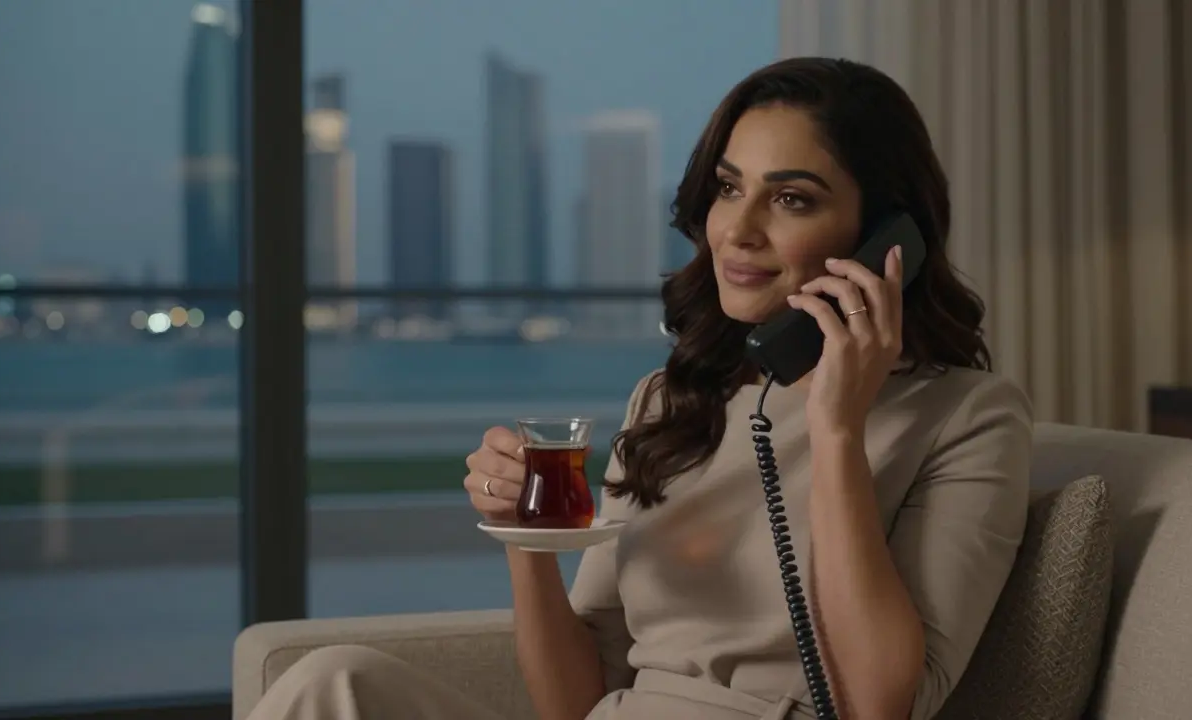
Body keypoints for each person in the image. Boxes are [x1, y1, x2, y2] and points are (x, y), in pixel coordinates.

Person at [247, 57, 1032, 720]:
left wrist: (836, 429)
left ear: (887, 239)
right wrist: (529, 537)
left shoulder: (966, 415)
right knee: (329, 681)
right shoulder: (671, 398)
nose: (739, 228)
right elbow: (574, 700)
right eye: (729, 188)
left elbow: (878, 702)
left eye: (791, 199)